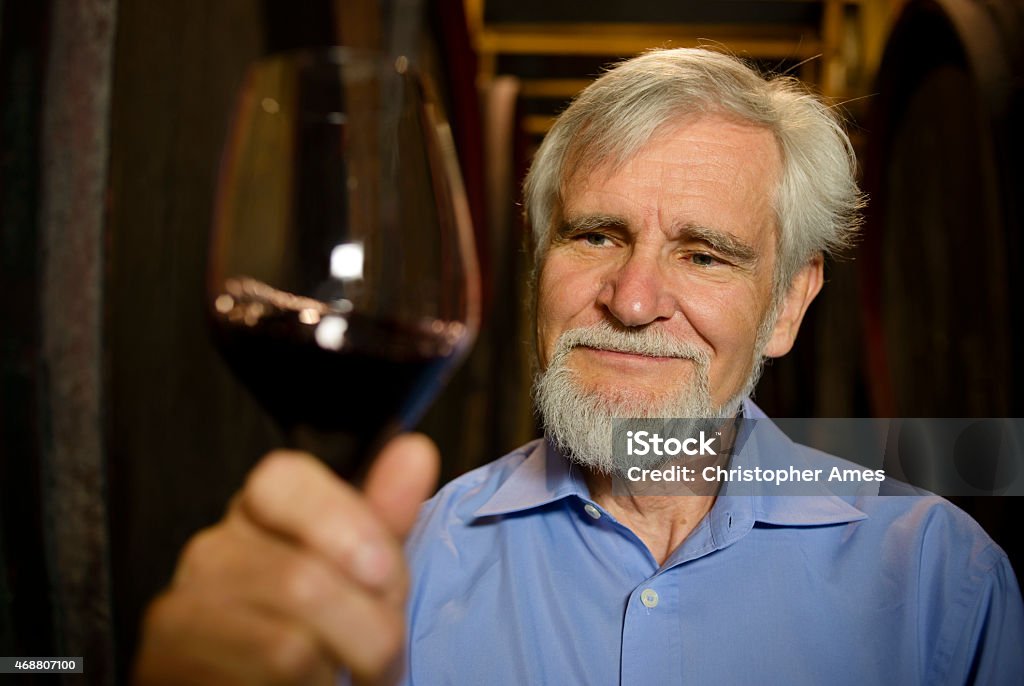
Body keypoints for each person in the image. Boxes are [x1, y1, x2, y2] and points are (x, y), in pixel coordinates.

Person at [135, 48, 1024, 685]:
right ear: (537, 265)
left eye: (703, 255)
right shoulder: (394, 566)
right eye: (594, 234)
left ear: (788, 304)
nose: (632, 301)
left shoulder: (943, 584)